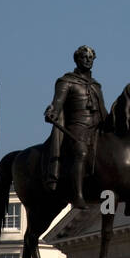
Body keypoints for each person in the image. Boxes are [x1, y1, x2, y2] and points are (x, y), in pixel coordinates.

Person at [43, 45, 107, 208]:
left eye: (91, 58)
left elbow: (103, 111)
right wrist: (52, 112)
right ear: (77, 60)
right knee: (82, 152)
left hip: (97, 128)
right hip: (76, 128)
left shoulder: (96, 86)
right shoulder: (67, 81)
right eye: (84, 57)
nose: (88, 60)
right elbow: (57, 104)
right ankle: (77, 195)